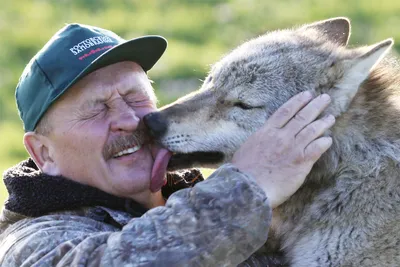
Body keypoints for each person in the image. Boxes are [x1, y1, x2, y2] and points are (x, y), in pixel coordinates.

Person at [0, 24, 334, 266]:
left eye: (136, 97)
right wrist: (250, 187)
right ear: (44, 154)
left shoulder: (214, 200)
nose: (129, 119)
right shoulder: (29, 243)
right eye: (97, 109)